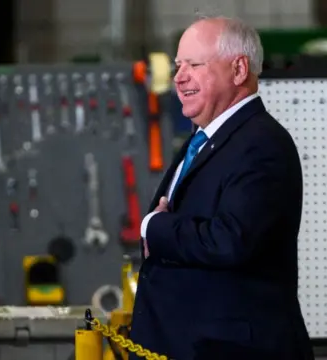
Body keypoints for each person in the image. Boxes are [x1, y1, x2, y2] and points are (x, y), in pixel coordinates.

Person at [129, 15, 314, 360]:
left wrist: (155, 227)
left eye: (194, 65)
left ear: (239, 70)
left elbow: (229, 240)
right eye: (178, 65)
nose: (179, 77)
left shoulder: (261, 144)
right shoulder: (205, 140)